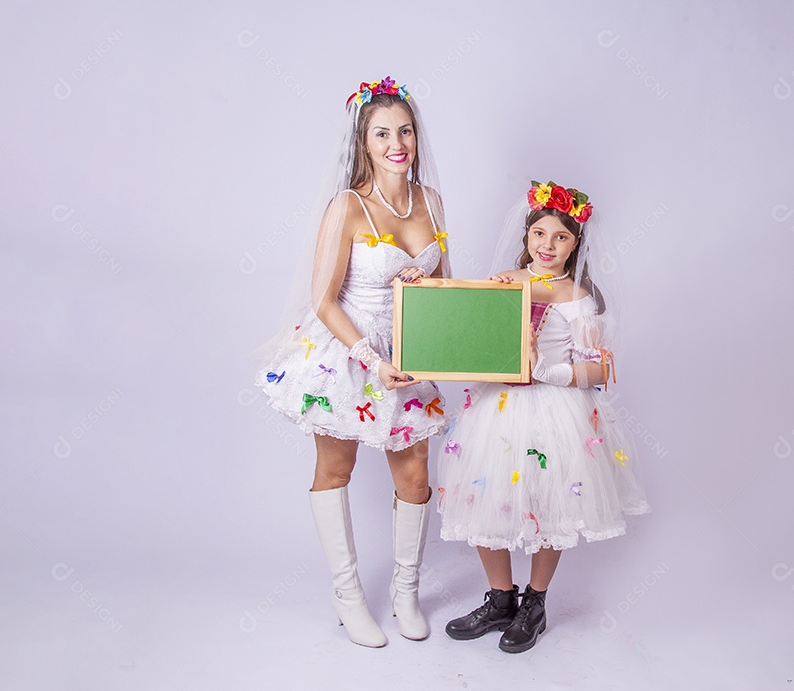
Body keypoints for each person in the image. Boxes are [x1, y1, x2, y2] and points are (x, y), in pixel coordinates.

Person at [257, 77, 451, 647]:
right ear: (364, 142)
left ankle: (405, 592)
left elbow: (444, 283)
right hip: (349, 349)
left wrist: (425, 282)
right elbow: (322, 298)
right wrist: (368, 358)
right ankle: (347, 595)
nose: (398, 143)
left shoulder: (431, 202)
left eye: (406, 130)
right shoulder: (346, 206)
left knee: (415, 475)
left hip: (408, 351)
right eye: (383, 133)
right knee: (336, 469)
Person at [437, 180, 649, 653]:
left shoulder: (579, 297)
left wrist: (551, 371)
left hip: (555, 408)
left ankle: (535, 602)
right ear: (527, 234)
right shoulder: (504, 283)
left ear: (576, 245)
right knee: (483, 494)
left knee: (551, 499)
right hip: (498, 407)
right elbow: (469, 335)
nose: (547, 245)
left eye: (561, 237)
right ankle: (499, 598)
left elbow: (598, 368)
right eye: (540, 234)